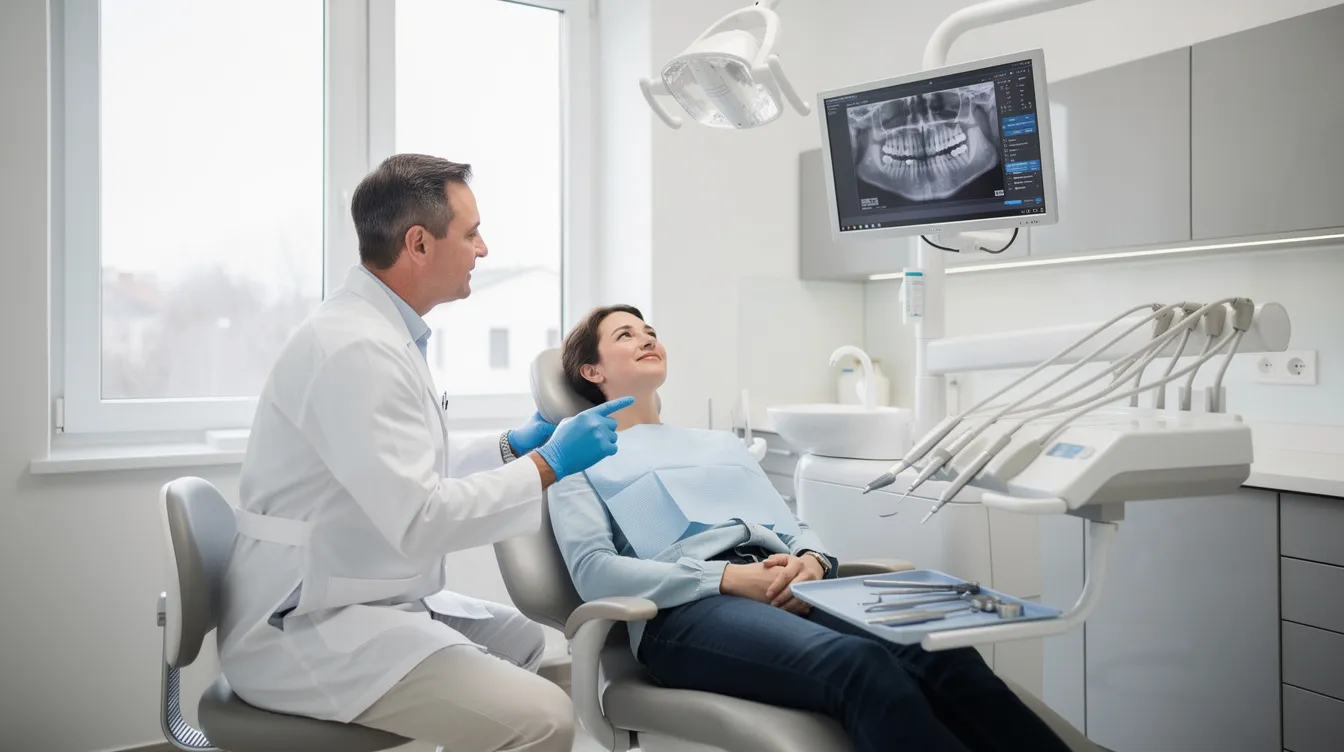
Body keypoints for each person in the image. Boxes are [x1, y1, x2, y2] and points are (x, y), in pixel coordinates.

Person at [218, 154, 631, 752]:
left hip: (352, 590)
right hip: (305, 626)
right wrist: (549, 465)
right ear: (418, 243)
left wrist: (511, 447)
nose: (483, 250)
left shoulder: (379, 335)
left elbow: (403, 471)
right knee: (544, 717)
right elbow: (420, 516)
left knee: (521, 640)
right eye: (471, 234)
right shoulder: (354, 350)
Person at [548, 304, 1075, 752]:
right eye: (625, 336)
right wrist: (726, 580)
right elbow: (593, 572)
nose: (646, 339)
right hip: (687, 611)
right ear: (592, 372)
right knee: (858, 664)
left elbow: (795, 523)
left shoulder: (717, 445)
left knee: (940, 654)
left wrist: (812, 562)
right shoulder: (574, 460)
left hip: (790, 586)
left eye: (651, 333)